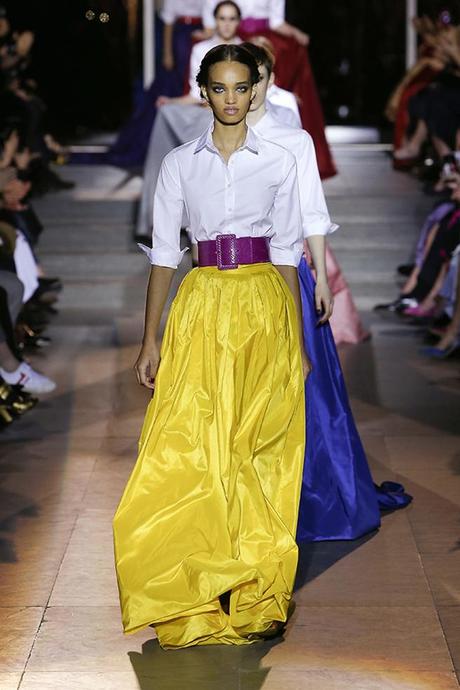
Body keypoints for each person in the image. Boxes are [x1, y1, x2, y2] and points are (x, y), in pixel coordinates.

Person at [113, 44, 309, 647]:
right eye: (218, 88)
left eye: (239, 88)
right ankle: (190, 583)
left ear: (256, 92)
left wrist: (297, 342)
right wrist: (151, 339)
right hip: (200, 306)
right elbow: (165, 256)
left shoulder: (279, 160)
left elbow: (287, 253)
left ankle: (257, 588)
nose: (229, 98)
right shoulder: (178, 165)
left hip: (261, 307)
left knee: (260, 448)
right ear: (203, 92)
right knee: (192, 444)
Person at [242, 42, 410, 541]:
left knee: (307, 392)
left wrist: (321, 277)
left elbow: (312, 211)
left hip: (287, 273)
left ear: (270, 80)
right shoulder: (212, 139)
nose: (250, 89)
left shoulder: (292, 139)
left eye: (259, 77)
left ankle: (306, 491)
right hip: (232, 284)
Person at [201, 0, 336, 178]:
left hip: (262, 38)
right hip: (235, 38)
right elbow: (213, 19)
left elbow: (276, 21)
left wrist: (297, 34)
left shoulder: (295, 135)